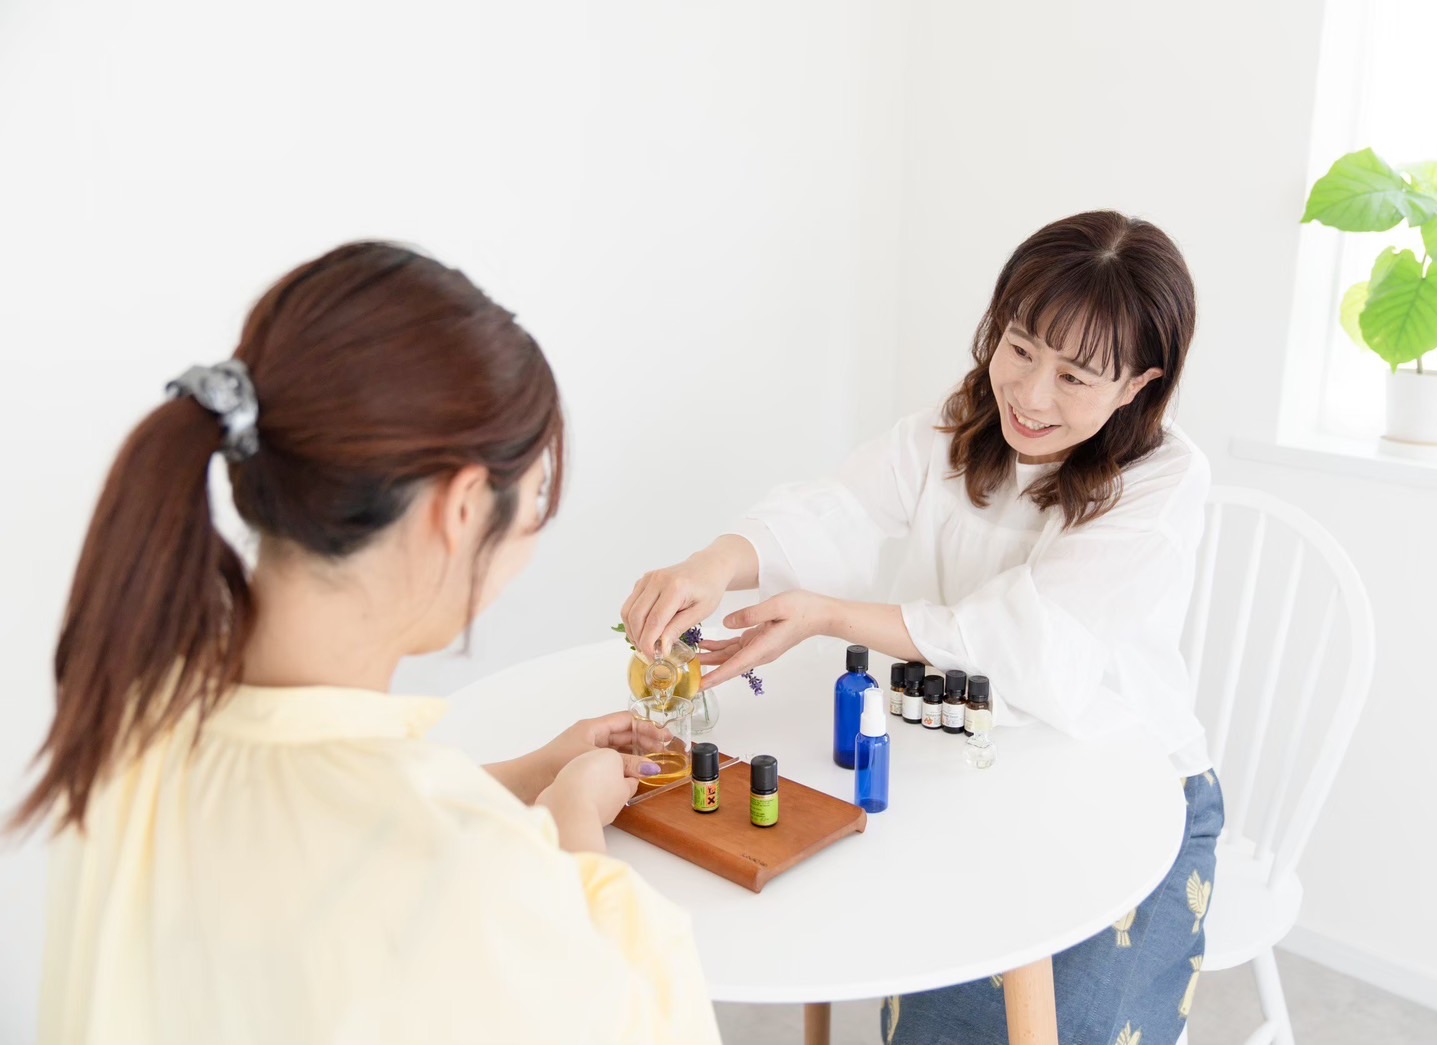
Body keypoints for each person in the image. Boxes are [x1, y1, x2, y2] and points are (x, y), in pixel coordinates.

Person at [13, 242, 720, 1045]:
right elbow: (648, 1018)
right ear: (459, 510)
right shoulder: (464, 876)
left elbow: (309, 838)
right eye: (532, 508)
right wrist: (571, 825)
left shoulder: (133, 714)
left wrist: (525, 776)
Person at [622, 211, 1224, 1044]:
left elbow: (1027, 647)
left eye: (1076, 375)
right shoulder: (960, 428)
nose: (1030, 393)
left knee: (1057, 1023)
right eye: (1018, 347)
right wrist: (714, 563)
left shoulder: (1163, 483)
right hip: (967, 763)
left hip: (1120, 794)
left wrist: (829, 614)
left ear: (1139, 385)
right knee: (929, 1005)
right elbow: (835, 509)